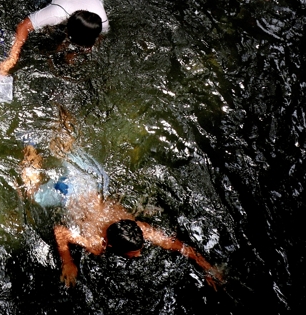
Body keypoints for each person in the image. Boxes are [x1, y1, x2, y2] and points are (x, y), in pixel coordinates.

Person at [19, 108, 222, 288]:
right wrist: (68, 261)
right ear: (111, 245)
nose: (140, 254)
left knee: (67, 146)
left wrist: (207, 267)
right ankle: (29, 142)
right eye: (133, 253)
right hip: (68, 191)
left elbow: (178, 245)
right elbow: (61, 232)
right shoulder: (96, 244)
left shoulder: (139, 229)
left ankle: (59, 104)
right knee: (31, 191)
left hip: (90, 180)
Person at [0, 0, 108, 76]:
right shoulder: (58, 12)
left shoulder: (103, 23)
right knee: (35, 4)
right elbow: (23, 26)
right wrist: (12, 58)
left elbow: (96, 40)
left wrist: (73, 54)